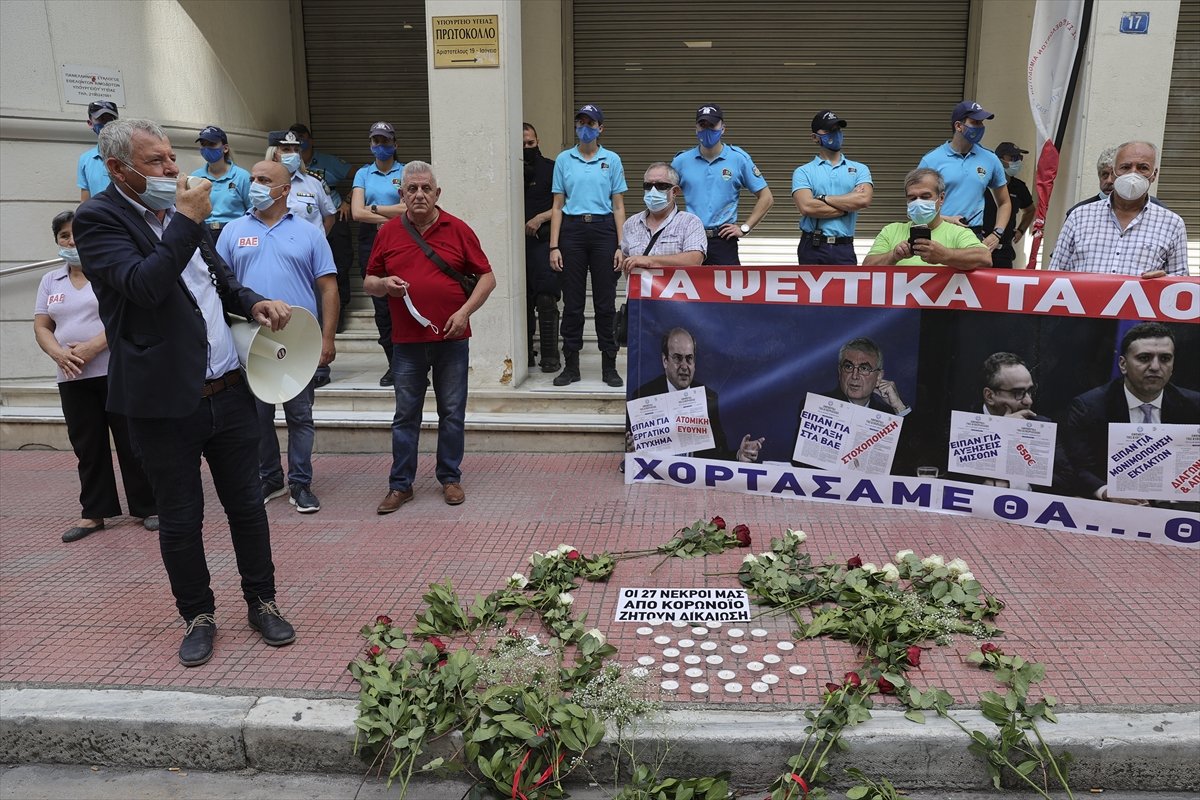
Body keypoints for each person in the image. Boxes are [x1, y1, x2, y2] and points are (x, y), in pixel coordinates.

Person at [73, 117, 297, 667]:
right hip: (162, 403)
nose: (173, 170)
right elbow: (144, 287)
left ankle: (262, 603)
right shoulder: (98, 219)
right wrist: (187, 222)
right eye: (156, 162)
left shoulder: (182, 217)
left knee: (248, 505)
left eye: (171, 158)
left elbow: (217, 280)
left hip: (230, 392)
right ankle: (198, 616)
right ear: (116, 168)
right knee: (180, 517)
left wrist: (253, 301)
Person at [363, 161, 496, 513]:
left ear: (437, 193)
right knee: (406, 414)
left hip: (452, 339)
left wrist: (464, 312)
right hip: (406, 342)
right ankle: (400, 485)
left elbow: (487, 278)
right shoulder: (388, 232)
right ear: (401, 194)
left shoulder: (459, 229)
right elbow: (369, 281)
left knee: (452, 412)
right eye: (412, 189)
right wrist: (383, 285)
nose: (419, 194)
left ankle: (450, 477)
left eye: (426, 188)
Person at [216, 160, 339, 514]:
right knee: (257, 416)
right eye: (252, 178)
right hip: (250, 343)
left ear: (285, 190)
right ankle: (269, 477)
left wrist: (327, 339)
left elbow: (328, 288)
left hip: (298, 341)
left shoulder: (308, 232)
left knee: (300, 415)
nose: (254, 184)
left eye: (264, 180)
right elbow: (220, 287)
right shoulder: (232, 231)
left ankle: (300, 483)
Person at [34, 210, 157, 543]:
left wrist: (91, 347)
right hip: (72, 376)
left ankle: (147, 507)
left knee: (131, 441)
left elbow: (124, 317)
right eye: (64, 236)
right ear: (57, 241)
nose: (71, 240)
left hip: (114, 370)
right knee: (87, 446)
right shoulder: (50, 281)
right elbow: (43, 326)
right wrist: (58, 353)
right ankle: (94, 513)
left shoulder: (108, 272)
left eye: (77, 233)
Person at [1063, 323, 1199, 504]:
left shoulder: (1194, 405)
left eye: (1165, 358)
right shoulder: (1089, 407)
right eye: (1144, 358)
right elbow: (1079, 468)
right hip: (1115, 509)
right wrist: (1107, 492)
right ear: (1123, 364)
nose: (1156, 367)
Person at [549, 104, 627, 387]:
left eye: (590, 123)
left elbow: (619, 206)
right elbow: (557, 206)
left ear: (600, 128)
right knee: (572, 303)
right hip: (572, 231)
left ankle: (609, 365)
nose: (584, 128)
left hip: (604, 230)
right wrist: (553, 246)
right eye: (580, 122)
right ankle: (571, 366)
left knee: (605, 303)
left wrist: (622, 245)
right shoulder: (564, 160)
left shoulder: (612, 160)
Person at [1050, 141, 1188, 276]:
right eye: (1125, 167)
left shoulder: (1172, 224)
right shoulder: (1079, 217)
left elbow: (1181, 282)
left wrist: (1163, 281)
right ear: (1114, 172)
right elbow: (1055, 274)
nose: (1133, 174)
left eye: (1143, 168)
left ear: (1154, 175)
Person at [632, 327, 764, 462]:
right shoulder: (643, 396)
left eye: (689, 358)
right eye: (677, 358)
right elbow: (634, 454)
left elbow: (717, 455)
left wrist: (739, 456)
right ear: (665, 360)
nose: (684, 366)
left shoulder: (708, 398)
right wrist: (631, 451)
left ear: (694, 362)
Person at [671, 104, 773, 266]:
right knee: (690, 289)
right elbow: (666, 197)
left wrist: (745, 228)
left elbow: (766, 197)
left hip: (723, 241)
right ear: (696, 128)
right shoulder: (681, 161)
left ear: (723, 128)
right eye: (702, 125)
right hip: (689, 239)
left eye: (712, 125)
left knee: (729, 290)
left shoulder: (738, 159)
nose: (707, 130)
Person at [352, 122, 407, 387]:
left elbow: (409, 210)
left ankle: (411, 362)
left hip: (401, 239)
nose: (381, 146)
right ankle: (393, 364)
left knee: (404, 300)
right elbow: (356, 213)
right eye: (376, 141)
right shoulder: (363, 173)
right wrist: (389, 209)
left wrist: (373, 208)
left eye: (385, 141)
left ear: (395, 144)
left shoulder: (406, 172)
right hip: (371, 242)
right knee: (382, 307)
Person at [289, 123, 354, 339]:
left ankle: (337, 315)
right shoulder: (281, 177)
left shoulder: (327, 163)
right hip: (297, 237)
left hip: (331, 221)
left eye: (302, 136)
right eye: (294, 138)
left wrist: (348, 200)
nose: (299, 140)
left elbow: (360, 176)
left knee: (336, 271)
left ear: (310, 139)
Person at [918, 100, 1011, 250]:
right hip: (938, 232)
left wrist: (996, 234)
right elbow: (917, 206)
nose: (980, 127)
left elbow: (1005, 202)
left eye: (982, 123)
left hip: (972, 235)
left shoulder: (990, 159)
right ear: (958, 126)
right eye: (975, 122)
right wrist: (948, 220)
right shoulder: (931, 160)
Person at [862, 168, 992, 269]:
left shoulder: (958, 233)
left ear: (941, 198)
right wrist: (893, 256)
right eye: (912, 198)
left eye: (925, 196)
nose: (918, 202)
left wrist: (945, 255)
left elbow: (985, 258)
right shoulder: (890, 231)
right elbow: (867, 267)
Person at [791, 110, 873, 265]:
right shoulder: (803, 171)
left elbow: (863, 199)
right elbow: (807, 207)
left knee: (846, 290)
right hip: (812, 246)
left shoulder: (860, 169)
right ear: (815, 138)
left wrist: (823, 198)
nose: (835, 134)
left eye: (838, 129)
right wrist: (847, 206)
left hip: (844, 247)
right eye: (829, 130)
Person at [617, 162, 707, 274]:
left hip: (677, 290)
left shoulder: (690, 222)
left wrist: (649, 261)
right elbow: (627, 264)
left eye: (661, 186)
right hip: (641, 291)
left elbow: (694, 260)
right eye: (648, 186)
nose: (653, 191)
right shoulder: (630, 224)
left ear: (675, 191)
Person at [523, 122, 560, 373]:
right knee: (521, 302)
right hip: (515, 248)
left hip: (543, 243)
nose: (527, 148)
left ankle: (550, 355)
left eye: (530, 143)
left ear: (538, 142)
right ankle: (524, 353)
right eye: (522, 144)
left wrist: (541, 218)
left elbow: (564, 204)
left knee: (546, 299)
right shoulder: (507, 171)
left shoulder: (551, 168)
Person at [190, 125, 251, 240]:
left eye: (212, 144)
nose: (207, 148)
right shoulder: (195, 177)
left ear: (225, 148)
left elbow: (252, 210)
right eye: (203, 144)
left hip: (234, 232)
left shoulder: (242, 177)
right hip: (204, 234)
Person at [822, 337, 911, 416]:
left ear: (878, 377)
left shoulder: (888, 415)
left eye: (864, 368)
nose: (855, 376)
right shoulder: (817, 406)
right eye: (848, 367)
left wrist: (898, 407)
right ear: (840, 372)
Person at [982, 142, 1034, 268]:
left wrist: (1021, 230)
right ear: (999, 159)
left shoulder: (1019, 187)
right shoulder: (983, 182)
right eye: (1013, 158)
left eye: (1019, 158)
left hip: (1004, 250)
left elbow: (1030, 210)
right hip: (981, 246)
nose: (1018, 162)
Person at [78, 100, 118, 202]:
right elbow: (85, 200)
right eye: (101, 119)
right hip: (99, 216)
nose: (106, 124)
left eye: (111, 119)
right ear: (90, 123)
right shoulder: (85, 160)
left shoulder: (130, 154)